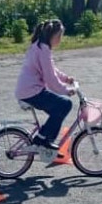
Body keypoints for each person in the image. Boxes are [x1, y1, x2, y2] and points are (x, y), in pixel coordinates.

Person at [14, 19, 75, 152]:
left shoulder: (40, 45)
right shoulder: (44, 50)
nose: (60, 39)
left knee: (58, 111)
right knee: (65, 104)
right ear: (52, 36)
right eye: (59, 36)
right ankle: (42, 140)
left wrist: (66, 79)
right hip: (31, 91)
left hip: (27, 90)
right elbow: (50, 78)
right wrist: (65, 90)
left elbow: (52, 69)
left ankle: (47, 145)